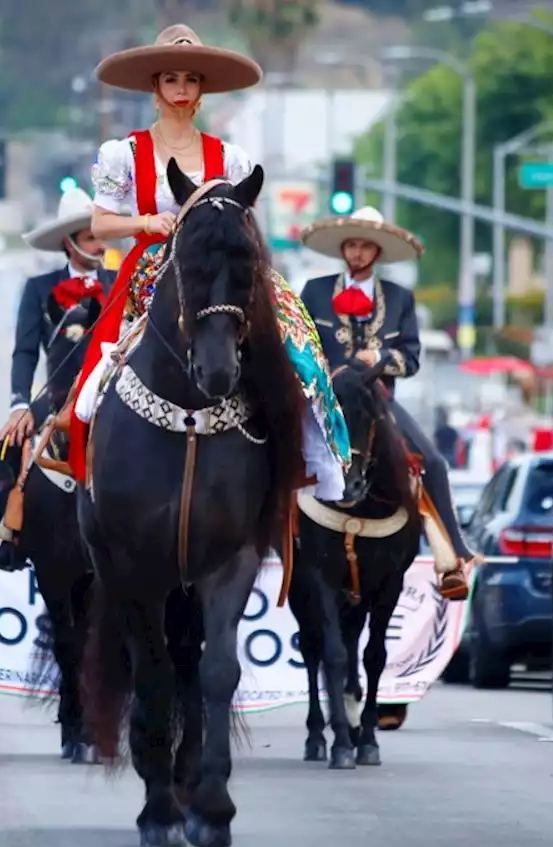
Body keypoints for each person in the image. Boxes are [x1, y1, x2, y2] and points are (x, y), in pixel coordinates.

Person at [60, 24, 351, 511]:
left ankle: (311, 451)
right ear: (155, 86)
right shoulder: (124, 154)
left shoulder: (229, 157)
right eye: (170, 78)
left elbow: (240, 220)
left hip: (220, 266)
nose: (180, 88)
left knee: (293, 335)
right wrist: (147, 220)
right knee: (94, 377)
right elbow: (101, 223)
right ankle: (87, 458)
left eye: (190, 80)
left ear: (201, 90)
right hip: (155, 265)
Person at [297, 206, 475, 599]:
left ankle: (453, 557)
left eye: (365, 247)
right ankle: (253, 545)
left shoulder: (399, 298)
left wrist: (378, 360)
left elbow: (411, 358)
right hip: (324, 401)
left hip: (376, 402)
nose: (357, 253)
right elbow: (300, 345)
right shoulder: (313, 290)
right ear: (343, 248)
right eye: (352, 245)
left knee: (431, 461)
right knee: (268, 449)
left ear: (377, 253)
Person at [0, 186, 116, 571]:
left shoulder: (121, 282)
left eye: (101, 235)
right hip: (57, 394)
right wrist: (19, 403)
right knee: (6, 445)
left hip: (110, 387)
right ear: (70, 243)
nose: (100, 244)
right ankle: (10, 536)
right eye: (91, 237)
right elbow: (25, 352)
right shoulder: (38, 290)